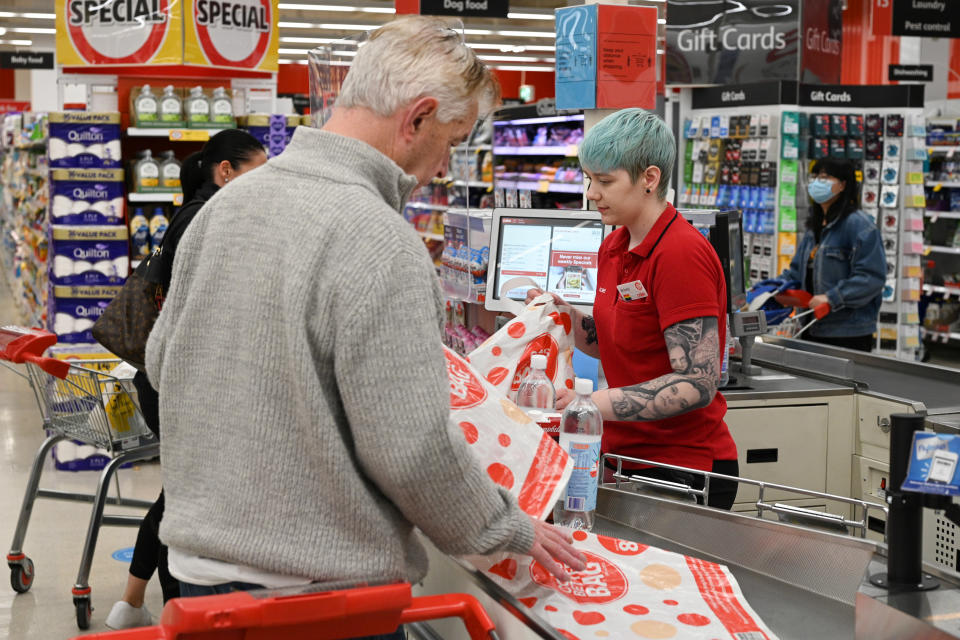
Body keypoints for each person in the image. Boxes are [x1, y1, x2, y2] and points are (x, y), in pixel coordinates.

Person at [144, 16, 584, 631]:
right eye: (453, 141)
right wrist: (501, 526)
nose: (444, 164)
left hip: (198, 572)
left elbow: (164, 365)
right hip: (317, 593)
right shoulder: (380, 241)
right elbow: (411, 449)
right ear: (418, 118)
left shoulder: (225, 208)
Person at [526, 108, 739, 510]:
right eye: (590, 180)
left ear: (650, 179)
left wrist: (586, 404)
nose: (592, 193)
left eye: (605, 181)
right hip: (626, 458)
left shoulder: (680, 254)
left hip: (682, 468)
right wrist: (566, 317)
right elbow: (619, 343)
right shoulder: (616, 245)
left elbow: (696, 381)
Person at [105, 130, 267, 630]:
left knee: (181, 491)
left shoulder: (191, 214)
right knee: (182, 495)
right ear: (226, 172)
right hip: (177, 378)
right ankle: (147, 606)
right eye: (259, 171)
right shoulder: (210, 220)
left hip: (167, 374)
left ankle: (143, 605)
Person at [779, 158, 885, 351]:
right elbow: (796, 272)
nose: (817, 182)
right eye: (816, 177)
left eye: (825, 177)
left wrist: (831, 298)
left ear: (843, 185)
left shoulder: (859, 226)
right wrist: (773, 289)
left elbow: (871, 278)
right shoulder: (815, 227)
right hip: (812, 326)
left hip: (847, 332)